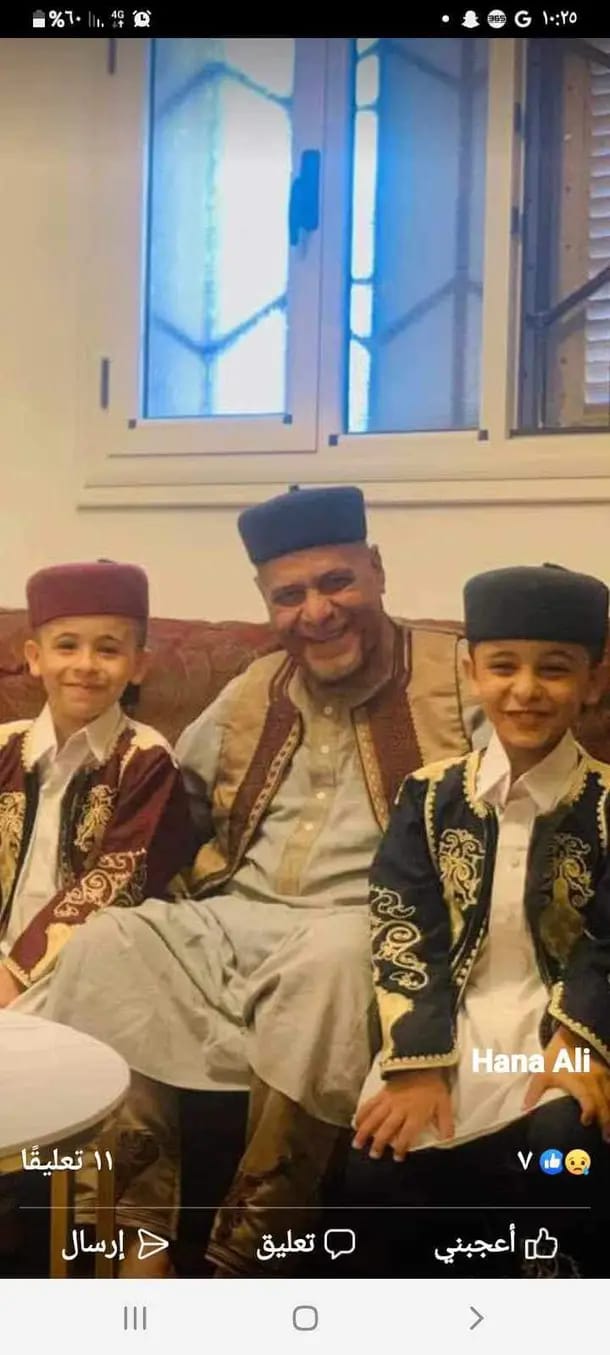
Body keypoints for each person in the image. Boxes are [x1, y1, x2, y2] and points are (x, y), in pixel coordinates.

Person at [40, 485, 478, 1278]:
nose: (317, 611)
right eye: (290, 595)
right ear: (267, 602)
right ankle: (135, 1242)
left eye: (336, 582)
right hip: (232, 919)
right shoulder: (253, 688)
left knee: (337, 959)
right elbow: (173, 803)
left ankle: (246, 1252)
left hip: (361, 924)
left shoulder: (460, 675)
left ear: (377, 570)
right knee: (109, 942)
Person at [350, 564, 610, 1277]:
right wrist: (418, 1065)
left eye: (553, 669)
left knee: (565, 1146)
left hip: (564, 1031)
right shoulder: (429, 796)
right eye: (503, 666)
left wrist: (581, 1040)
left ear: (592, 680)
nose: (526, 689)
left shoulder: (605, 801)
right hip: (451, 1029)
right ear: (472, 672)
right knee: (378, 1160)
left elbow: (607, 943)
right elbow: (403, 927)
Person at [0, 559, 194, 1259]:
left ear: (138, 664)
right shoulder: (4, 745)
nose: (85, 665)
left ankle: (124, 1254)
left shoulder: (146, 759)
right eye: (67, 646)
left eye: (108, 649)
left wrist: (15, 972)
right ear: (34, 656)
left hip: (85, 964)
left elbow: (120, 874)